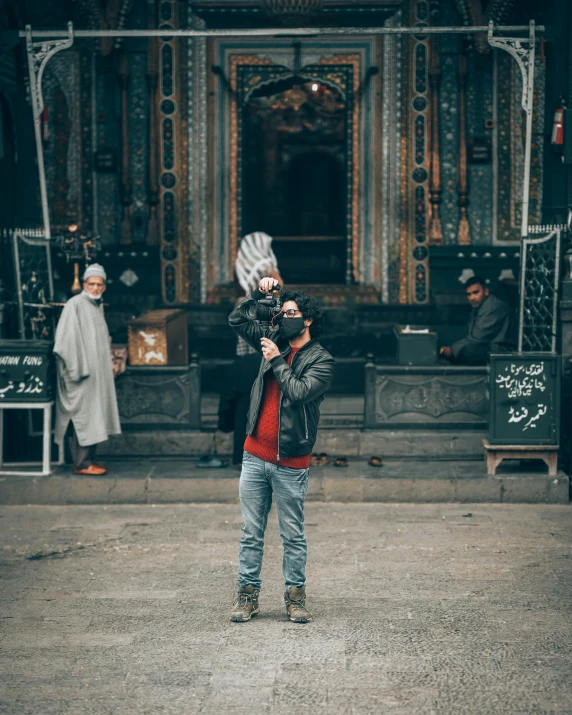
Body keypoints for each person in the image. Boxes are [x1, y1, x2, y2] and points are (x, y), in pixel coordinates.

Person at [228, 277, 335, 624]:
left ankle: (295, 597)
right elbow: (237, 319)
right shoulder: (272, 339)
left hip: (291, 461)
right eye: (282, 312)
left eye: (293, 313)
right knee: (250, 533)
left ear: (307, 320)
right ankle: (247, 596)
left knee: (293, 535)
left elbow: (299, 392)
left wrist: (276, 360)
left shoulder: (321, 360)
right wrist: (258, 295)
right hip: (254, 454)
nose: (285, 318)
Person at [54, 264, 121, 475]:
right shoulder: (75, 304)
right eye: (91, 284)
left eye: (99, 284)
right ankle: (81, 463)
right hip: (81, 374)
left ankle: (89, 460)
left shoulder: (95, 306)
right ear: (84, 284)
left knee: (94, 415)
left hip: (95, 375)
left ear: (104, 287)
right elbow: (64, 342)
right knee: (84, 416)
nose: (95, 288)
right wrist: (76, 370)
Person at [440, 275, 513, 365]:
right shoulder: (478, 308)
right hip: (487, 348)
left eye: (475, 292)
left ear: (486, 291)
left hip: (500, 351)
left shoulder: (493, 307)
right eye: (469, 294)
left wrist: (452, 350)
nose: (472, 298)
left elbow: (477, 338)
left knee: (468, 351)